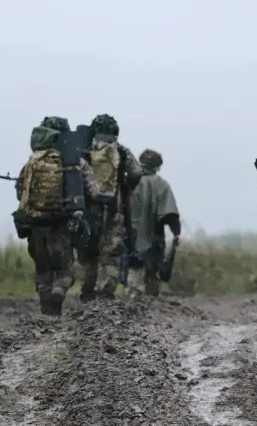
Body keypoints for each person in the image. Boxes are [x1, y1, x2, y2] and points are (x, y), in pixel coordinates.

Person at [14, 116, 107, 315]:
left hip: (36, 225)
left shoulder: (32, 163)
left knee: (43, 270)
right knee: (64, 269)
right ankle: (59, 290)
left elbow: (20, 192)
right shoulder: (76, 162)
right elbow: (94, 191)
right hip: (62, 225)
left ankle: (48, 312)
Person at [78, 113, 142, 301]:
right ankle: (106, 293)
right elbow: (136, 172)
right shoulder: (121, 151)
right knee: (111, 252)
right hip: (114, 207)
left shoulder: (85, 149)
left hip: (89, 207)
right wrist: (125, 186)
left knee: (88, 252)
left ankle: (87, 291)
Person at [126, 149, 181, 297]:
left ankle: (132, 306)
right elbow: (170, 215)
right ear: (158, 166)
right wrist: (176, 233)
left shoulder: (129, 181)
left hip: (130, 237)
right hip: (154, 238)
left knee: (134, 276)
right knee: (152, 276)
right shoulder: (161, 185)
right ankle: (150, 313)